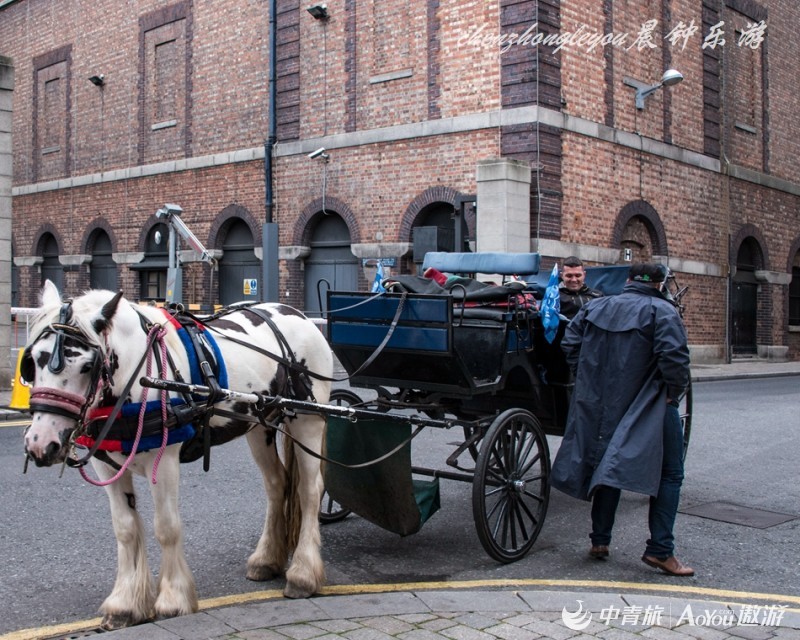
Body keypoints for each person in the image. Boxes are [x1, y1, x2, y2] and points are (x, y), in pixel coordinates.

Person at [551, 263, 693, 576]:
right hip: (648, 401)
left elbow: (570, 343)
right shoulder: (663, 311)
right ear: (659, 284)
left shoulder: (598, 306)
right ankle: (660, 549)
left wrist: (587, 375)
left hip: (602, 399)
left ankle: (600, 540)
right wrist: (672, 393)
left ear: (628, 281)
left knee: (605, 463)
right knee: (670, 473)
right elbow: (675, 358)